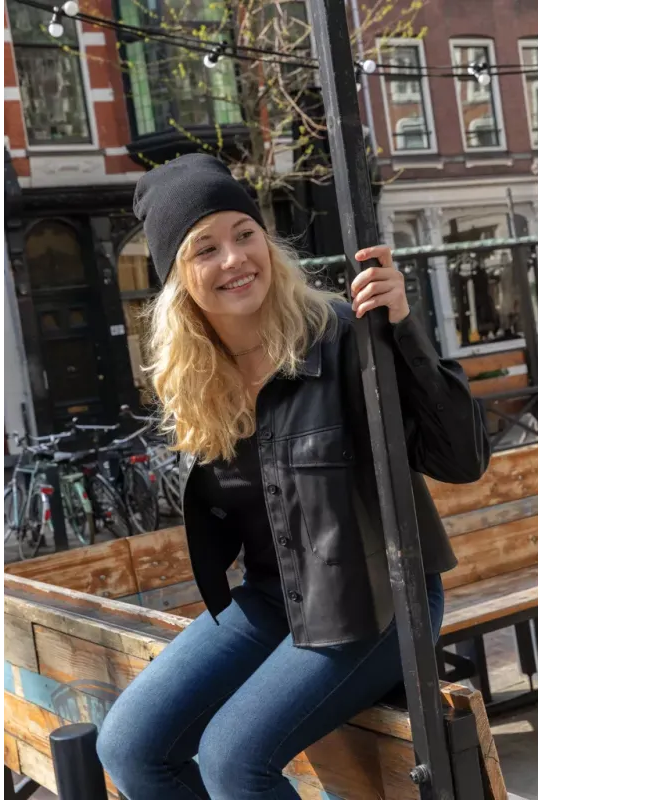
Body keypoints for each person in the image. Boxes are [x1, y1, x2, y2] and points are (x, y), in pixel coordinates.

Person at [97, 153, 491, 800]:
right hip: (272, 597)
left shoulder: (341, 335)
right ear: (177, 277)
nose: (234, 258)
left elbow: (462, 460)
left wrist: (404, 330)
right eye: (205, 248)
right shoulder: (201, 380)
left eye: (245, 233)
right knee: (129, 747)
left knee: (232, 760)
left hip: (379, 596)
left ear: (268, 242)